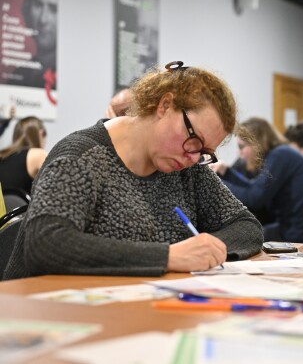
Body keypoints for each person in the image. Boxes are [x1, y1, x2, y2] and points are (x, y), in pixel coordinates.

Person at [3, 61, 263, 281]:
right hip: (47, 317)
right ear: (165, 105)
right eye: (194, 139)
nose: (193, 156)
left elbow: (246, 226)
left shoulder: (185, 166)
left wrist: (204, 251)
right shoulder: (81, 157)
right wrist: (169, 257)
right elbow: (45, 244)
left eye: (204, 151)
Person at [211, 117, 303, 243]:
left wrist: (216, 183)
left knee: (232, 238)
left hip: (298, 233)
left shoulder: (280, 155)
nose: (240, 153)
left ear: (256, 143)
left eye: (242, 147)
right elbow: (254, 188)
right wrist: (227, 173)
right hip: (299, 227)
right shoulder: (283, 153)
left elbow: (254, 198)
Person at [9, 0, 58, 89]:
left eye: (53, 9)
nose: (43, 19)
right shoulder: (18, 75)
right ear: (27, 7)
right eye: (38, 4)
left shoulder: (71, 75)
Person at [0, 116, 48, 195]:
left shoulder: (2, 154)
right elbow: (57, 184)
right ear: (41, 133)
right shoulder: (38, 154)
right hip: (26, 207)